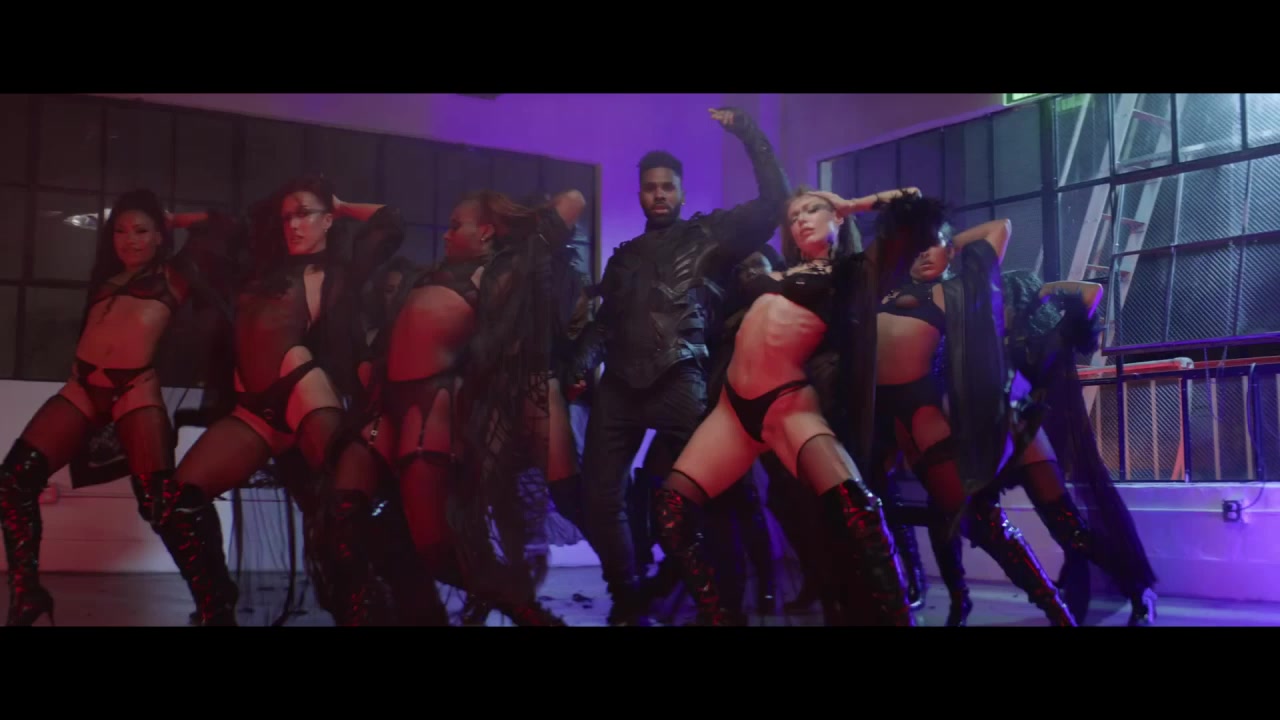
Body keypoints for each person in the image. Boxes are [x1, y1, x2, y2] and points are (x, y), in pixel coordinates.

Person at [312, 190, 583, 625]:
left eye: (457, 225)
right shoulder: (430, 274)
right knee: (342, 518)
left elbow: (573, 200)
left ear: (486, 231)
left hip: (428, 414)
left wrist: (520, 217)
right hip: (382, 411)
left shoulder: (499, 275)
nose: (445, 234)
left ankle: (531, 615)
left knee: (437, 552)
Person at [147, 176, 403, 626]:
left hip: (302, 389)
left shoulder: (339, 270)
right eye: (286, 217)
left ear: (327, 220)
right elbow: (219, 225)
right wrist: (172, 220)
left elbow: (390, 222)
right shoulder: (257, 269)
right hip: (252, 410)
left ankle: (367, 606)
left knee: (340, 508)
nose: (294, 225)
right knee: (174, 505)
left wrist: (341, 204)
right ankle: (215, 608)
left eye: (304, 214)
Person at [653, 187, 913, 626]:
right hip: (732, 412)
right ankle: (719, 618)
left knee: (859, 511)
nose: (801, 220)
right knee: (672, 510)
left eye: (813, 210)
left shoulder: (849, 272)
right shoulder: (777, 269)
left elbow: (913, 205)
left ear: (835, 217)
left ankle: (896, 617)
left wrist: (852, 205)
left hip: (787, 405)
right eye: (793, 216)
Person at [569, 107, 789, 625]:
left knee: (720, 494)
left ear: (682, 192)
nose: (660, 194)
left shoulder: (709, 234)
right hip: (619, 386)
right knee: (600, 498)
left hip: (680, 379)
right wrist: (580, 363)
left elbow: (773, 203)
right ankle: (628, 597)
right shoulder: (623, 258)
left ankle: (725, 604)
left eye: (668, 186)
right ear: (640, 194)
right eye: (651, 188)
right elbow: (605, 325)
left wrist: (747, 132)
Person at [824, 189, 1075, 626]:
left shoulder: (950, 290)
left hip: (921, 411)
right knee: (872, 513)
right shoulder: (882, 284)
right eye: (918, 247)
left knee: (978, 517)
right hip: (875, 416)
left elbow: (998, 228)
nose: (924, 254)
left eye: (932, 246)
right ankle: (914, 597)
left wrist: (946, 241)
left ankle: (1055, 608)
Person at [0, 189, 236, 626]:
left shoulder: (175, 274)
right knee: (13, 481)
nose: (130, 240)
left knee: (159, 505)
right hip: (82, 388)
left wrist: (174, 219)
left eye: (142, 231)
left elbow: (224, 223)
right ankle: (26, 593)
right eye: (121, 231)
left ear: (159, 236)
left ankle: (215, 606)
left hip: (134, 390)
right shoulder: (106, 279)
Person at [925, 270, 1157, 626]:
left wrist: (1046, 290)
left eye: (998, 299)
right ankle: (960, 603)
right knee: (944, 517)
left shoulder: (1042, 338)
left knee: (1071, 531)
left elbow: (1091, 293)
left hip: (1026, 436)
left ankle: (1140, 590)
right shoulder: (966, 340)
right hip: (980, 443)